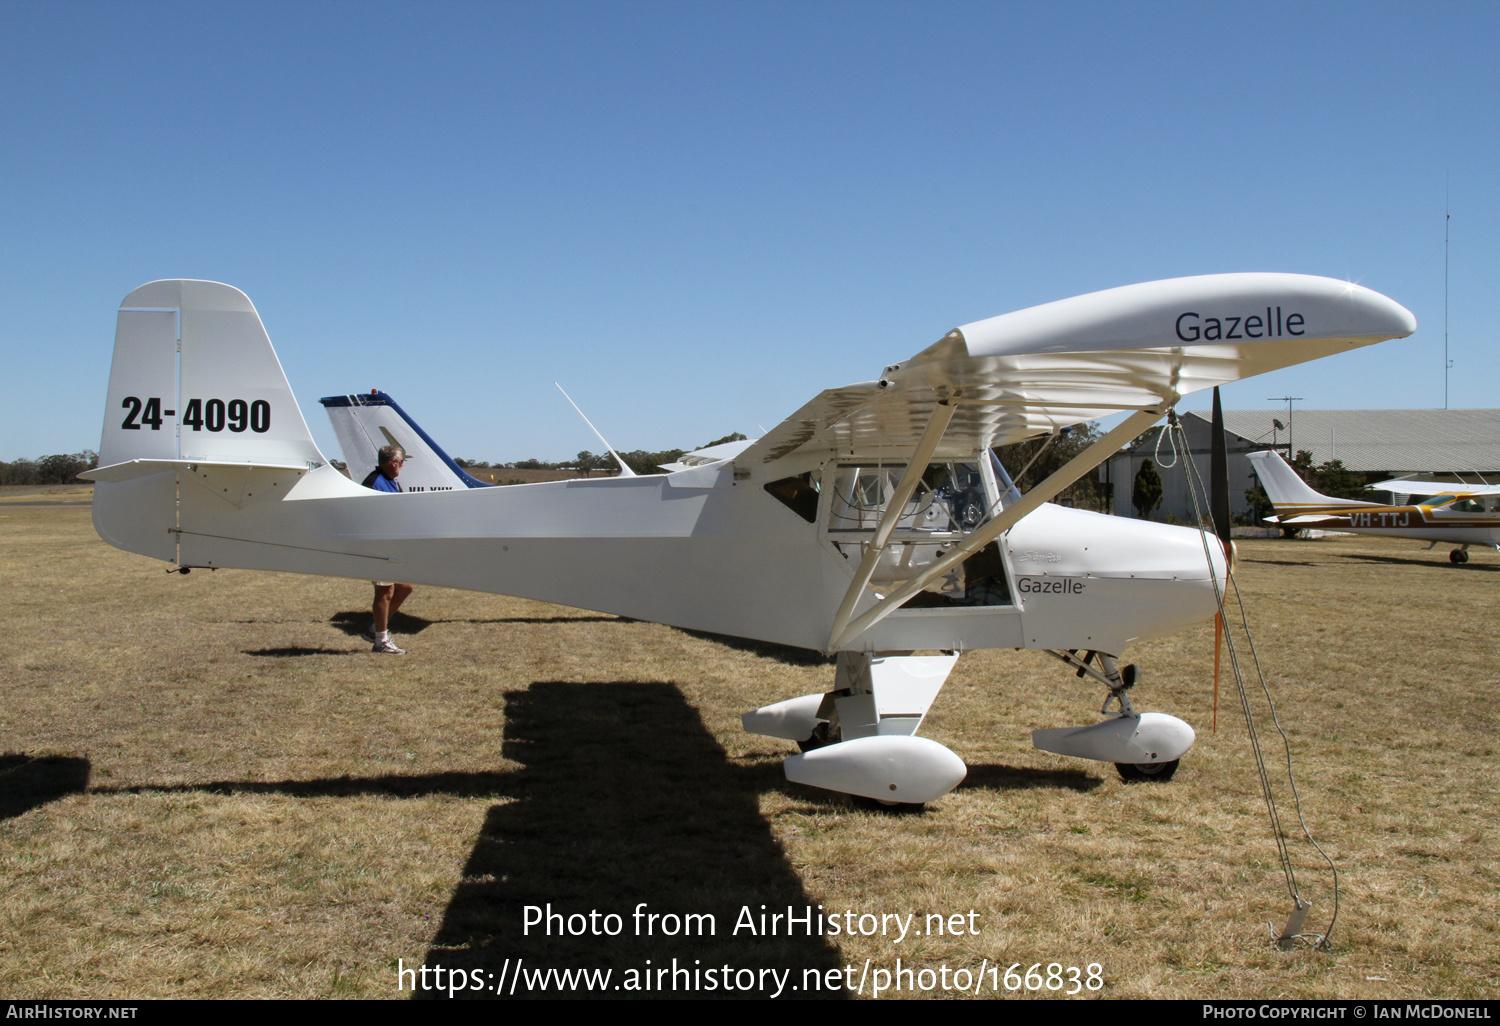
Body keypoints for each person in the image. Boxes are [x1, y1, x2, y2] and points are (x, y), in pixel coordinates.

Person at [361, 445, 414, 654]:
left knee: (405, 587)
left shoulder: (391, 482)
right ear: (393, 463)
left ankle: (375, 630)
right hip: (379, 544)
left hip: (392, 544)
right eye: (401, 462)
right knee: (385, 591)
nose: (402, 466)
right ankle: (380, 641)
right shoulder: (374, 482)